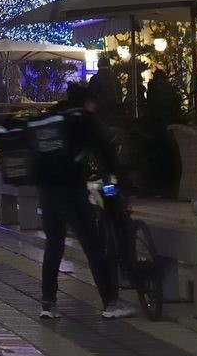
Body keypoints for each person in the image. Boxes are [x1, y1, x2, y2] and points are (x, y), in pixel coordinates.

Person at [26, 82, 136, 320]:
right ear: (89, 101)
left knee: (54, 245)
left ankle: (48, 303)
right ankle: (110, 303)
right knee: (93, 245)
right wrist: (123, 177)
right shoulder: (84, 118)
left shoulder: (52, 116)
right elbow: (104, 149)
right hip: (71, 188)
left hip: (47, 189)